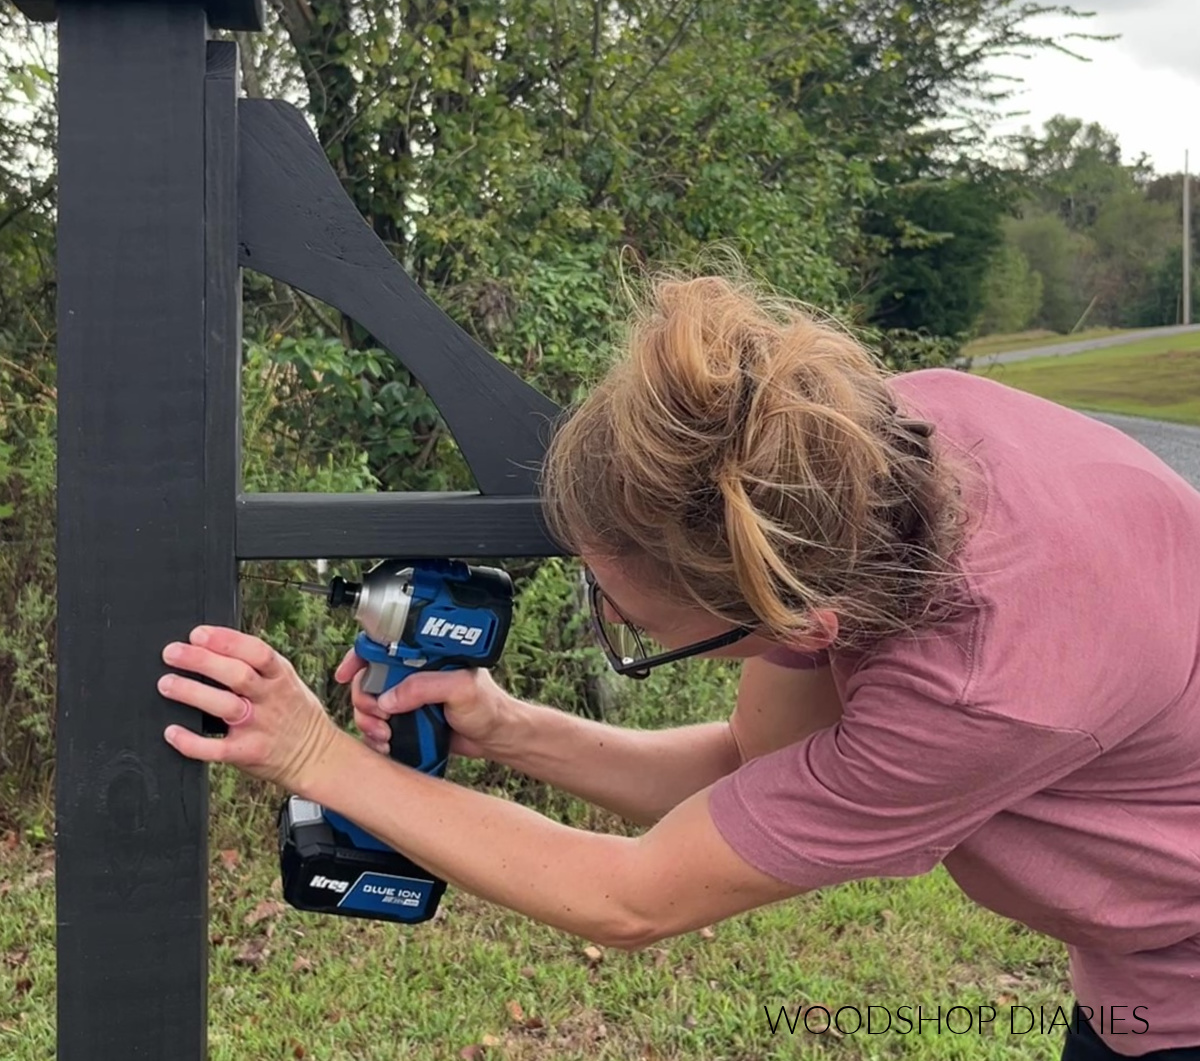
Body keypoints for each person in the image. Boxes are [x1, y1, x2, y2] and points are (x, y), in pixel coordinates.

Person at [157, 272, 1200, 1060]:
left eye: (632, 622)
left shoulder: (981, 685)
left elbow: (631, 897)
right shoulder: (863, 446)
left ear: (800, 625)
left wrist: (315, 756)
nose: (607, 616)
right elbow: (759, 765)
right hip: (1136, 964)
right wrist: (511, 727)